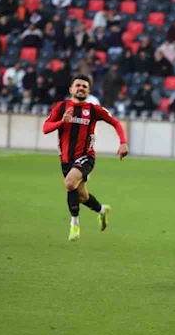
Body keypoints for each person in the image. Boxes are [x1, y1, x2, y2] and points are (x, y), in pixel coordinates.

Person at [42, 75, 129, 242]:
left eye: (84, 86)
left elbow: (116, 123)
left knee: (69, 183)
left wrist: (123, 142)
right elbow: (45, 128)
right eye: (78, 85)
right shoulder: (61, 107)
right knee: (81, 196)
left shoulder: (94, 109)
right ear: (71, 89)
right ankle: (102, 210)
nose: (81, 88)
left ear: (88, 92)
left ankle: (74, 223)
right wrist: (61, 122)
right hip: (66, 160)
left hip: (86, 157)